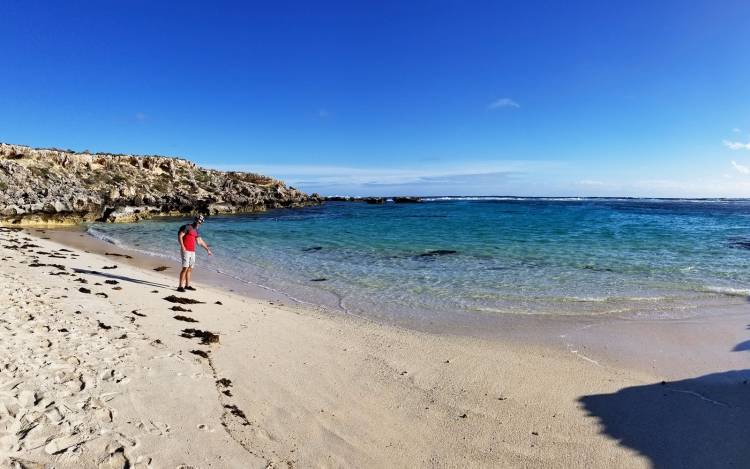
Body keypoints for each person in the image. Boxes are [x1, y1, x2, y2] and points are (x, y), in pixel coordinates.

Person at [177, 214, 212, 292]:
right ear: (195, 220)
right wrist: (182, 246)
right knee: (185, 268)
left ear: (201, 223)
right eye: (197, 221)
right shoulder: (187, 227)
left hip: (192, 252)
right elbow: (180, 236)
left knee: (190, 269)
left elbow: (199, 242)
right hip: (186, 251)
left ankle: (187, 285)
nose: (198, 223)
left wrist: (207, 249)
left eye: (200, 222)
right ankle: (180, 286)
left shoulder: (196, 230)